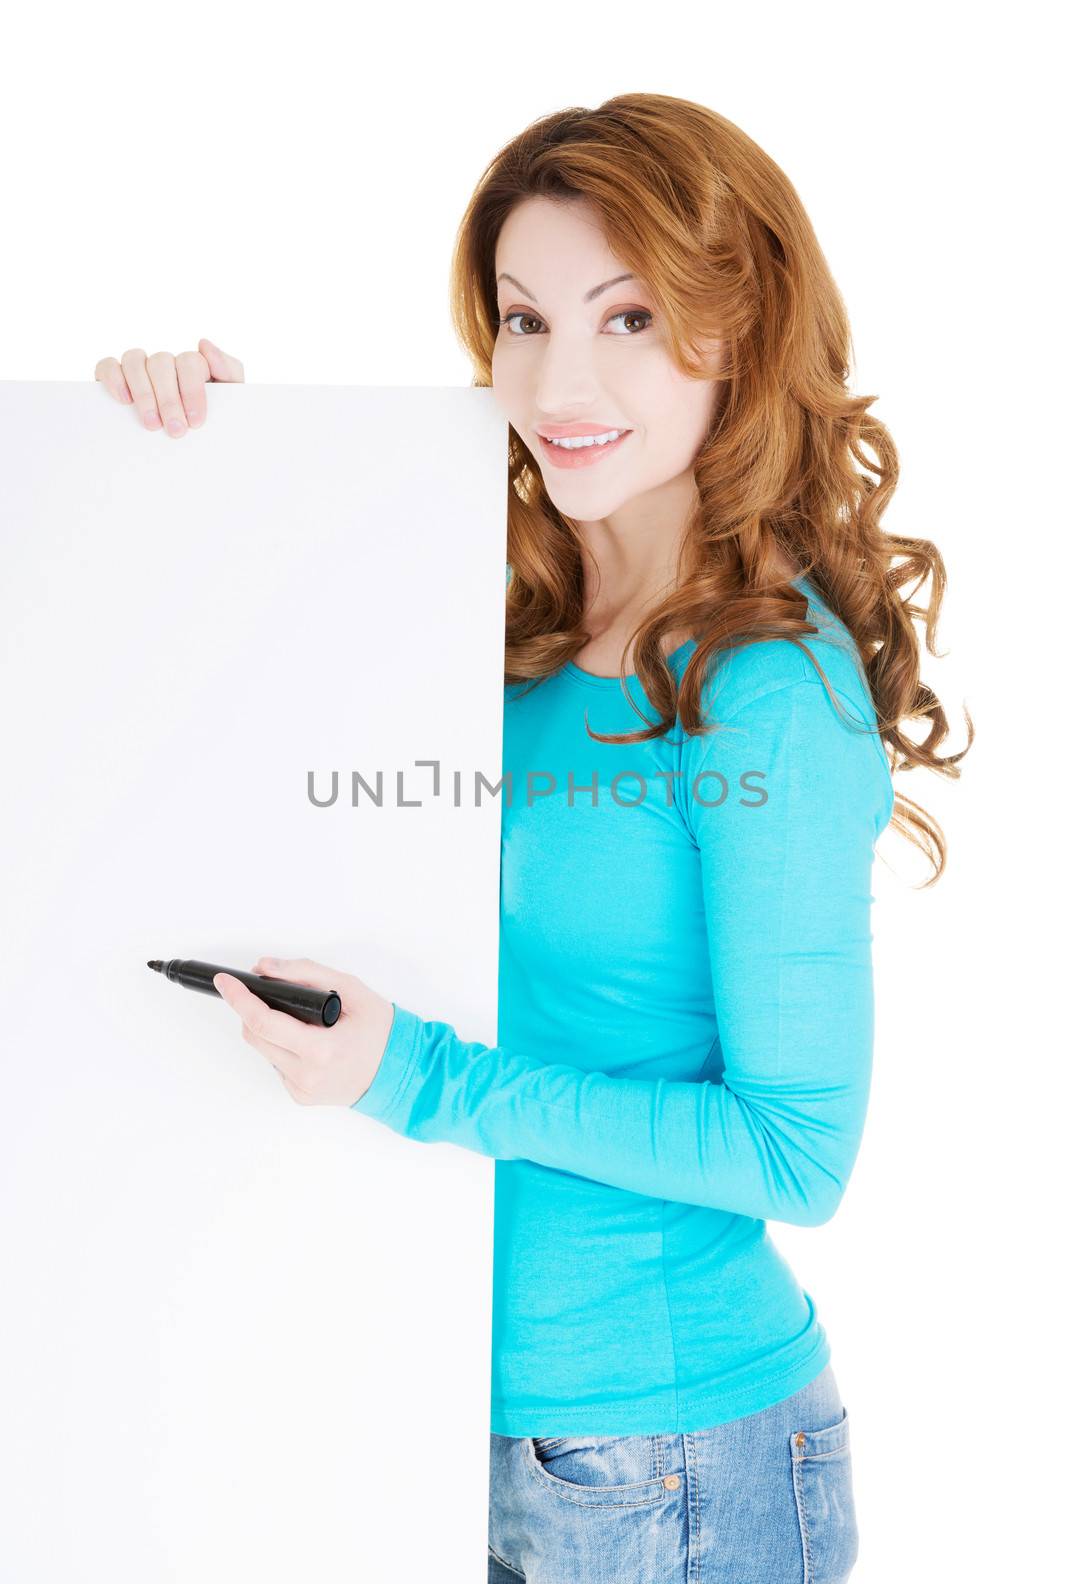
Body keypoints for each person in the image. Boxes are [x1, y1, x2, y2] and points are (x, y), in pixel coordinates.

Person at [94, 92, 970, 1584]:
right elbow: (257, 730)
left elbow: (801, 1153)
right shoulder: (520, 625)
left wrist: (418, 1078)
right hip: (434, 1405)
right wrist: (219, 465)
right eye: (524, 318)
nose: (559, 377)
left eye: (627, 319)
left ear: (738, 335)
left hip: (677, 1464)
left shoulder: (764, 693)